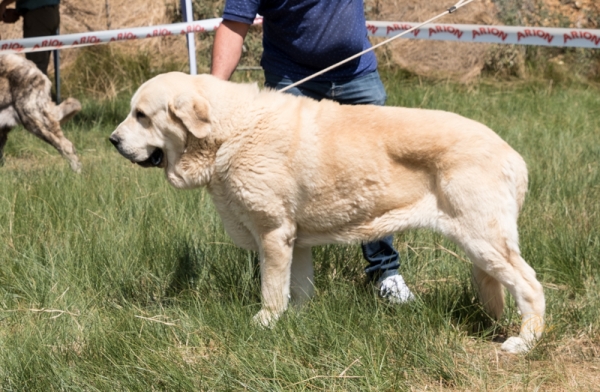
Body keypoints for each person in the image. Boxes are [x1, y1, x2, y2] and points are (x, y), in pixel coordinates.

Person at [211, 0, 415, 303]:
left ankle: (385, 273)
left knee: (375, 175)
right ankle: (287, 286)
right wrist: (214, 94)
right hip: (291, 77)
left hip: (357, 73)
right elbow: (234, 25)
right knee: (281, 183)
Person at [0, 0, 60, 75]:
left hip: (38, 17)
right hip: (50, 13)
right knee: (40, 67)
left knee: (37, 70)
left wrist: (3, 4)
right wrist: (19, 11)